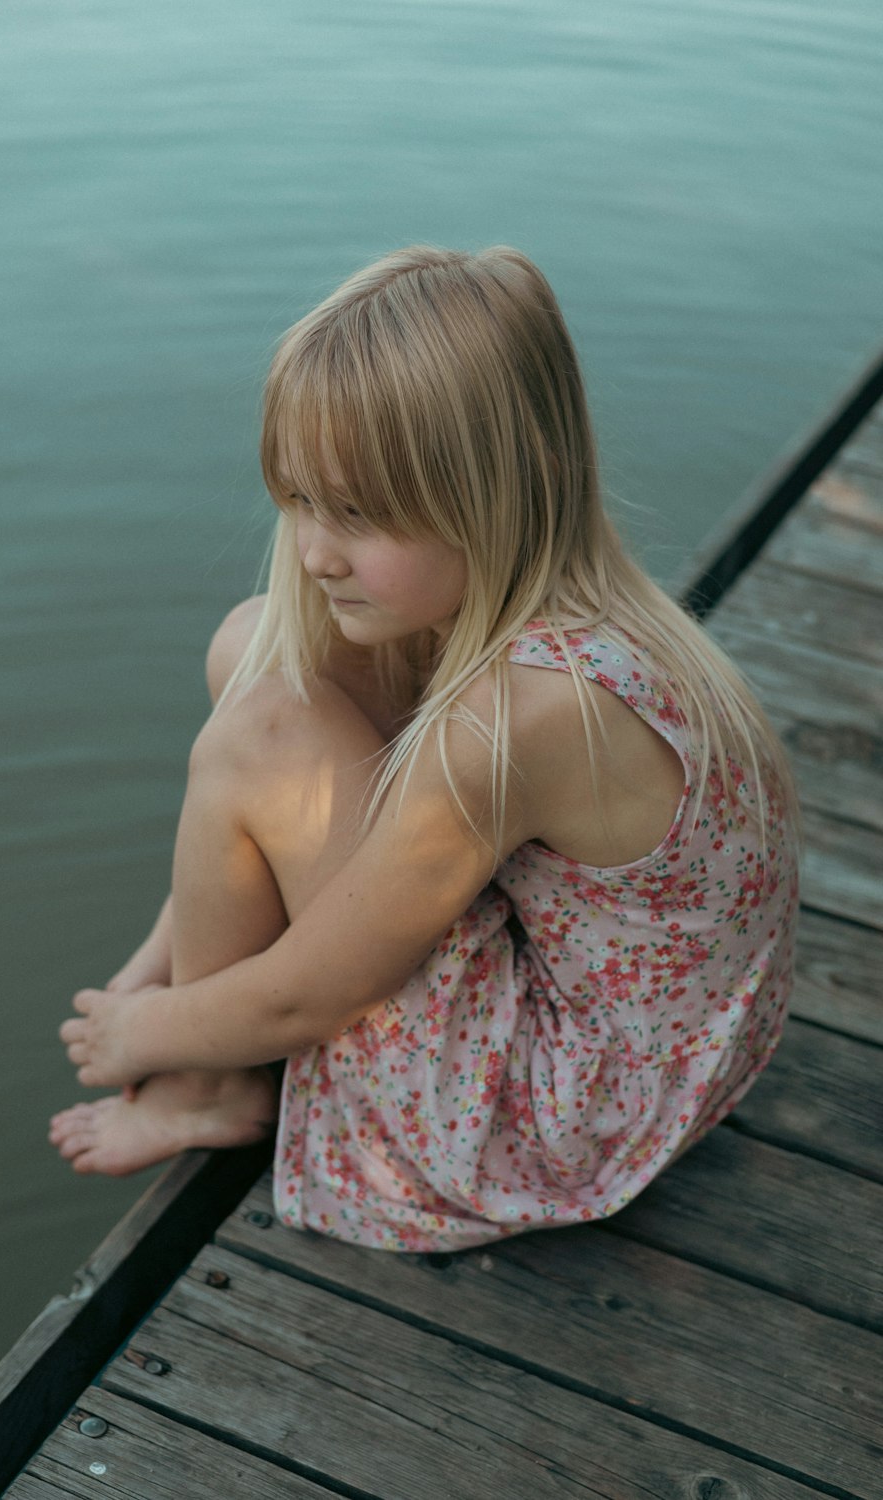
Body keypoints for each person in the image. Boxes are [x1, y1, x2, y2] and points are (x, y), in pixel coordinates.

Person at [50, 245, 799, 1252]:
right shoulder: (572, 608)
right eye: (299, 500)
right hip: (662, 1046)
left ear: (490, 488)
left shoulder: (517, 719)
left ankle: (204, 1088)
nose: (315, 551)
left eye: (356, 513)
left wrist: (144, 1032)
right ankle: (201, 1041)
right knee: (258, 646)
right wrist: (157, 965)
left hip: (566, 1119)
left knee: (260, 736)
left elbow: (312, 993)